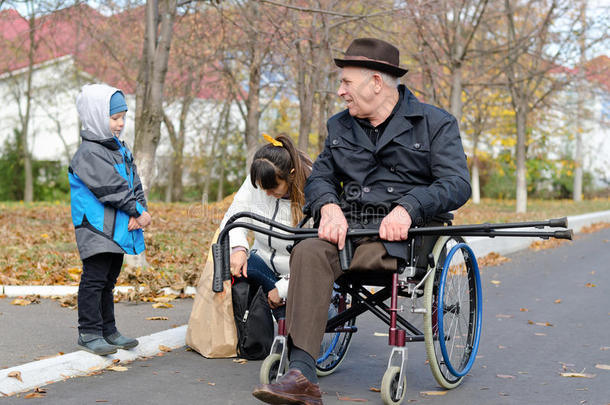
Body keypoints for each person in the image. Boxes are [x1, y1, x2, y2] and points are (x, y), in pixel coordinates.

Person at [253, 38, 471, 404]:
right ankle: (301, 374)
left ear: (376, 82)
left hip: (405, 239)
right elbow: (320, 176)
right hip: (347, 232)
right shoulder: (340, 127)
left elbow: (457, 184)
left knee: (354, 247)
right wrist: (328, 207)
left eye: (346, 83)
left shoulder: (435, 123)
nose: (340, 92)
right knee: (307, 251)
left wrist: (410, 206)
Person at [68, 84, 152, 355]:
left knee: (109, 279)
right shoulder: (88, 153)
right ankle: (89, 332)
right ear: (95, 115)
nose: (120, 124)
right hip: (95, 227)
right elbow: (111, 188)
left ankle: (108, 330)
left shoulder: (120, 149)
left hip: (116, 227)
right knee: (94, 279)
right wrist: (136, 211)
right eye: (115, 118)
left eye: (123, 117)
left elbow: (134, 182)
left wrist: (140, 211)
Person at [219, 133, 312, 319]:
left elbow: (319, 257)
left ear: (291, 176)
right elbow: (233, 218)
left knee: (291, 316)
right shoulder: (259, 179)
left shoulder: (315, 190)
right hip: (263, 264)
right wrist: (238, 249)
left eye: (273, 188)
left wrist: (283, 288)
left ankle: (287, 312)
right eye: (262, 188)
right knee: (230, 266)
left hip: (300, 276)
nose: (267, 194)